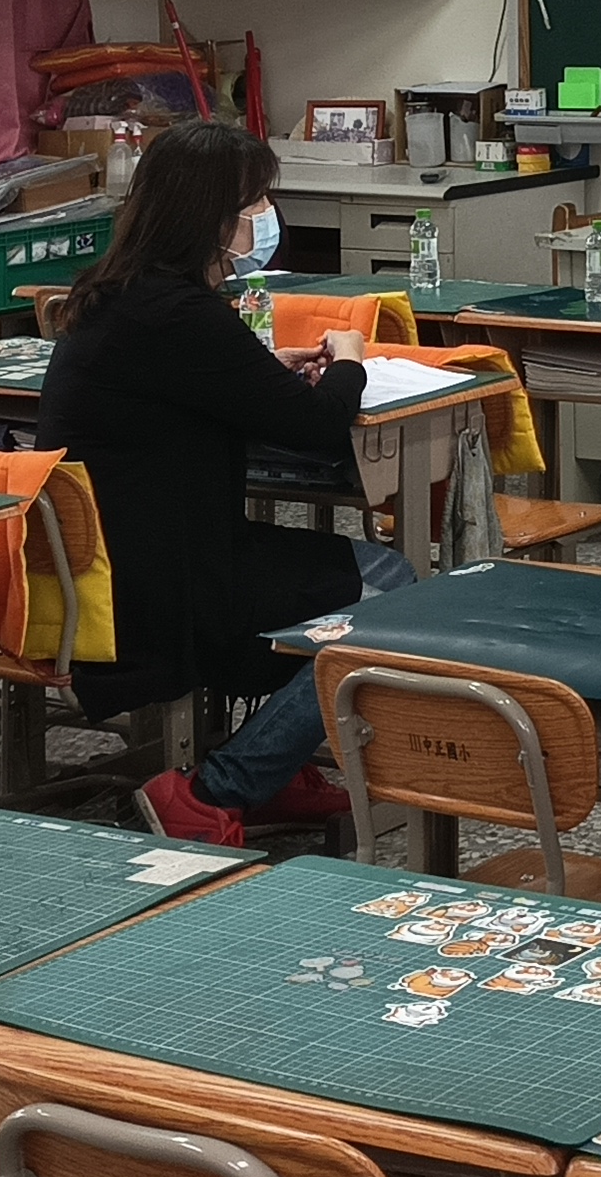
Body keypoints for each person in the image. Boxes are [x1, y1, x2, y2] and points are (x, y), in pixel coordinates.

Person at [36, 118, 412, 844]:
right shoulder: (179, 312)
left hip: (107, 566)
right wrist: (350, 360)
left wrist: (262, 370)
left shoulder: (119, 293)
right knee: (391, 587)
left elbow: (200, 385)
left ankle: (276, 764)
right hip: (162, 585)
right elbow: (314, 426)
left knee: (327, 575)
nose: (263, 217)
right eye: (253, 203)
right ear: (210, 216)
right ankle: (221, 787)